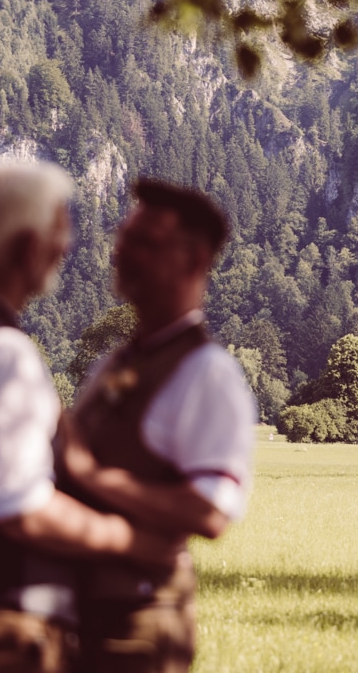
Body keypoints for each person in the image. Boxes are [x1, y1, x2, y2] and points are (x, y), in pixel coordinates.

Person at [0, 159, 180, 673]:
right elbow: (20, 506)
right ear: (26, 246)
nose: (66, 249)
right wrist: (128, 540)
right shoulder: (4, 351)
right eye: (59, 233)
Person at [57, 179, 256, 673]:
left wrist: (92, 476)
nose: (122, 252)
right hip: (79, 616)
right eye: (124, 237)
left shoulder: (207, 375)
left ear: (192, 262)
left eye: (144, 243)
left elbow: (211, 511)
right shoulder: (116, 363)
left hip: (136, 628)